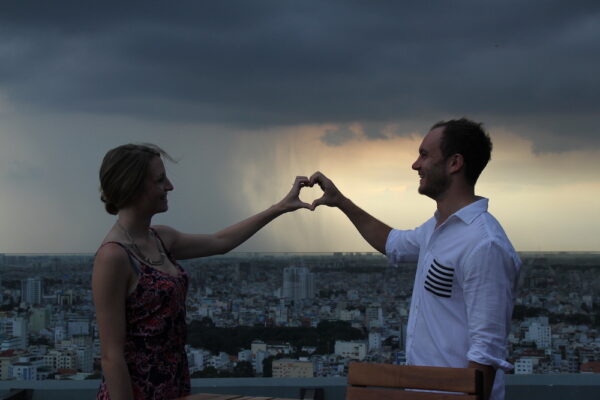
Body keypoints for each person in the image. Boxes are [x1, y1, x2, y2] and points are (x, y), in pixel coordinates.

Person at [308, 118, 520, 400]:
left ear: (454, 163)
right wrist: (341, 201)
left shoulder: (484, 244)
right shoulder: (437, 228)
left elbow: (486, 352)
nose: (415, 165)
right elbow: (392, 243)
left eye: (424, 155)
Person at [92, 143, 311, 400]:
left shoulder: (161, 238)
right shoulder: (113, 256)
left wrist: (280, 207)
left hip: (173, 387)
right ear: (133, 186)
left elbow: (220, 242)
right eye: (160, 180)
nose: (169, 186)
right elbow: (111, 356)